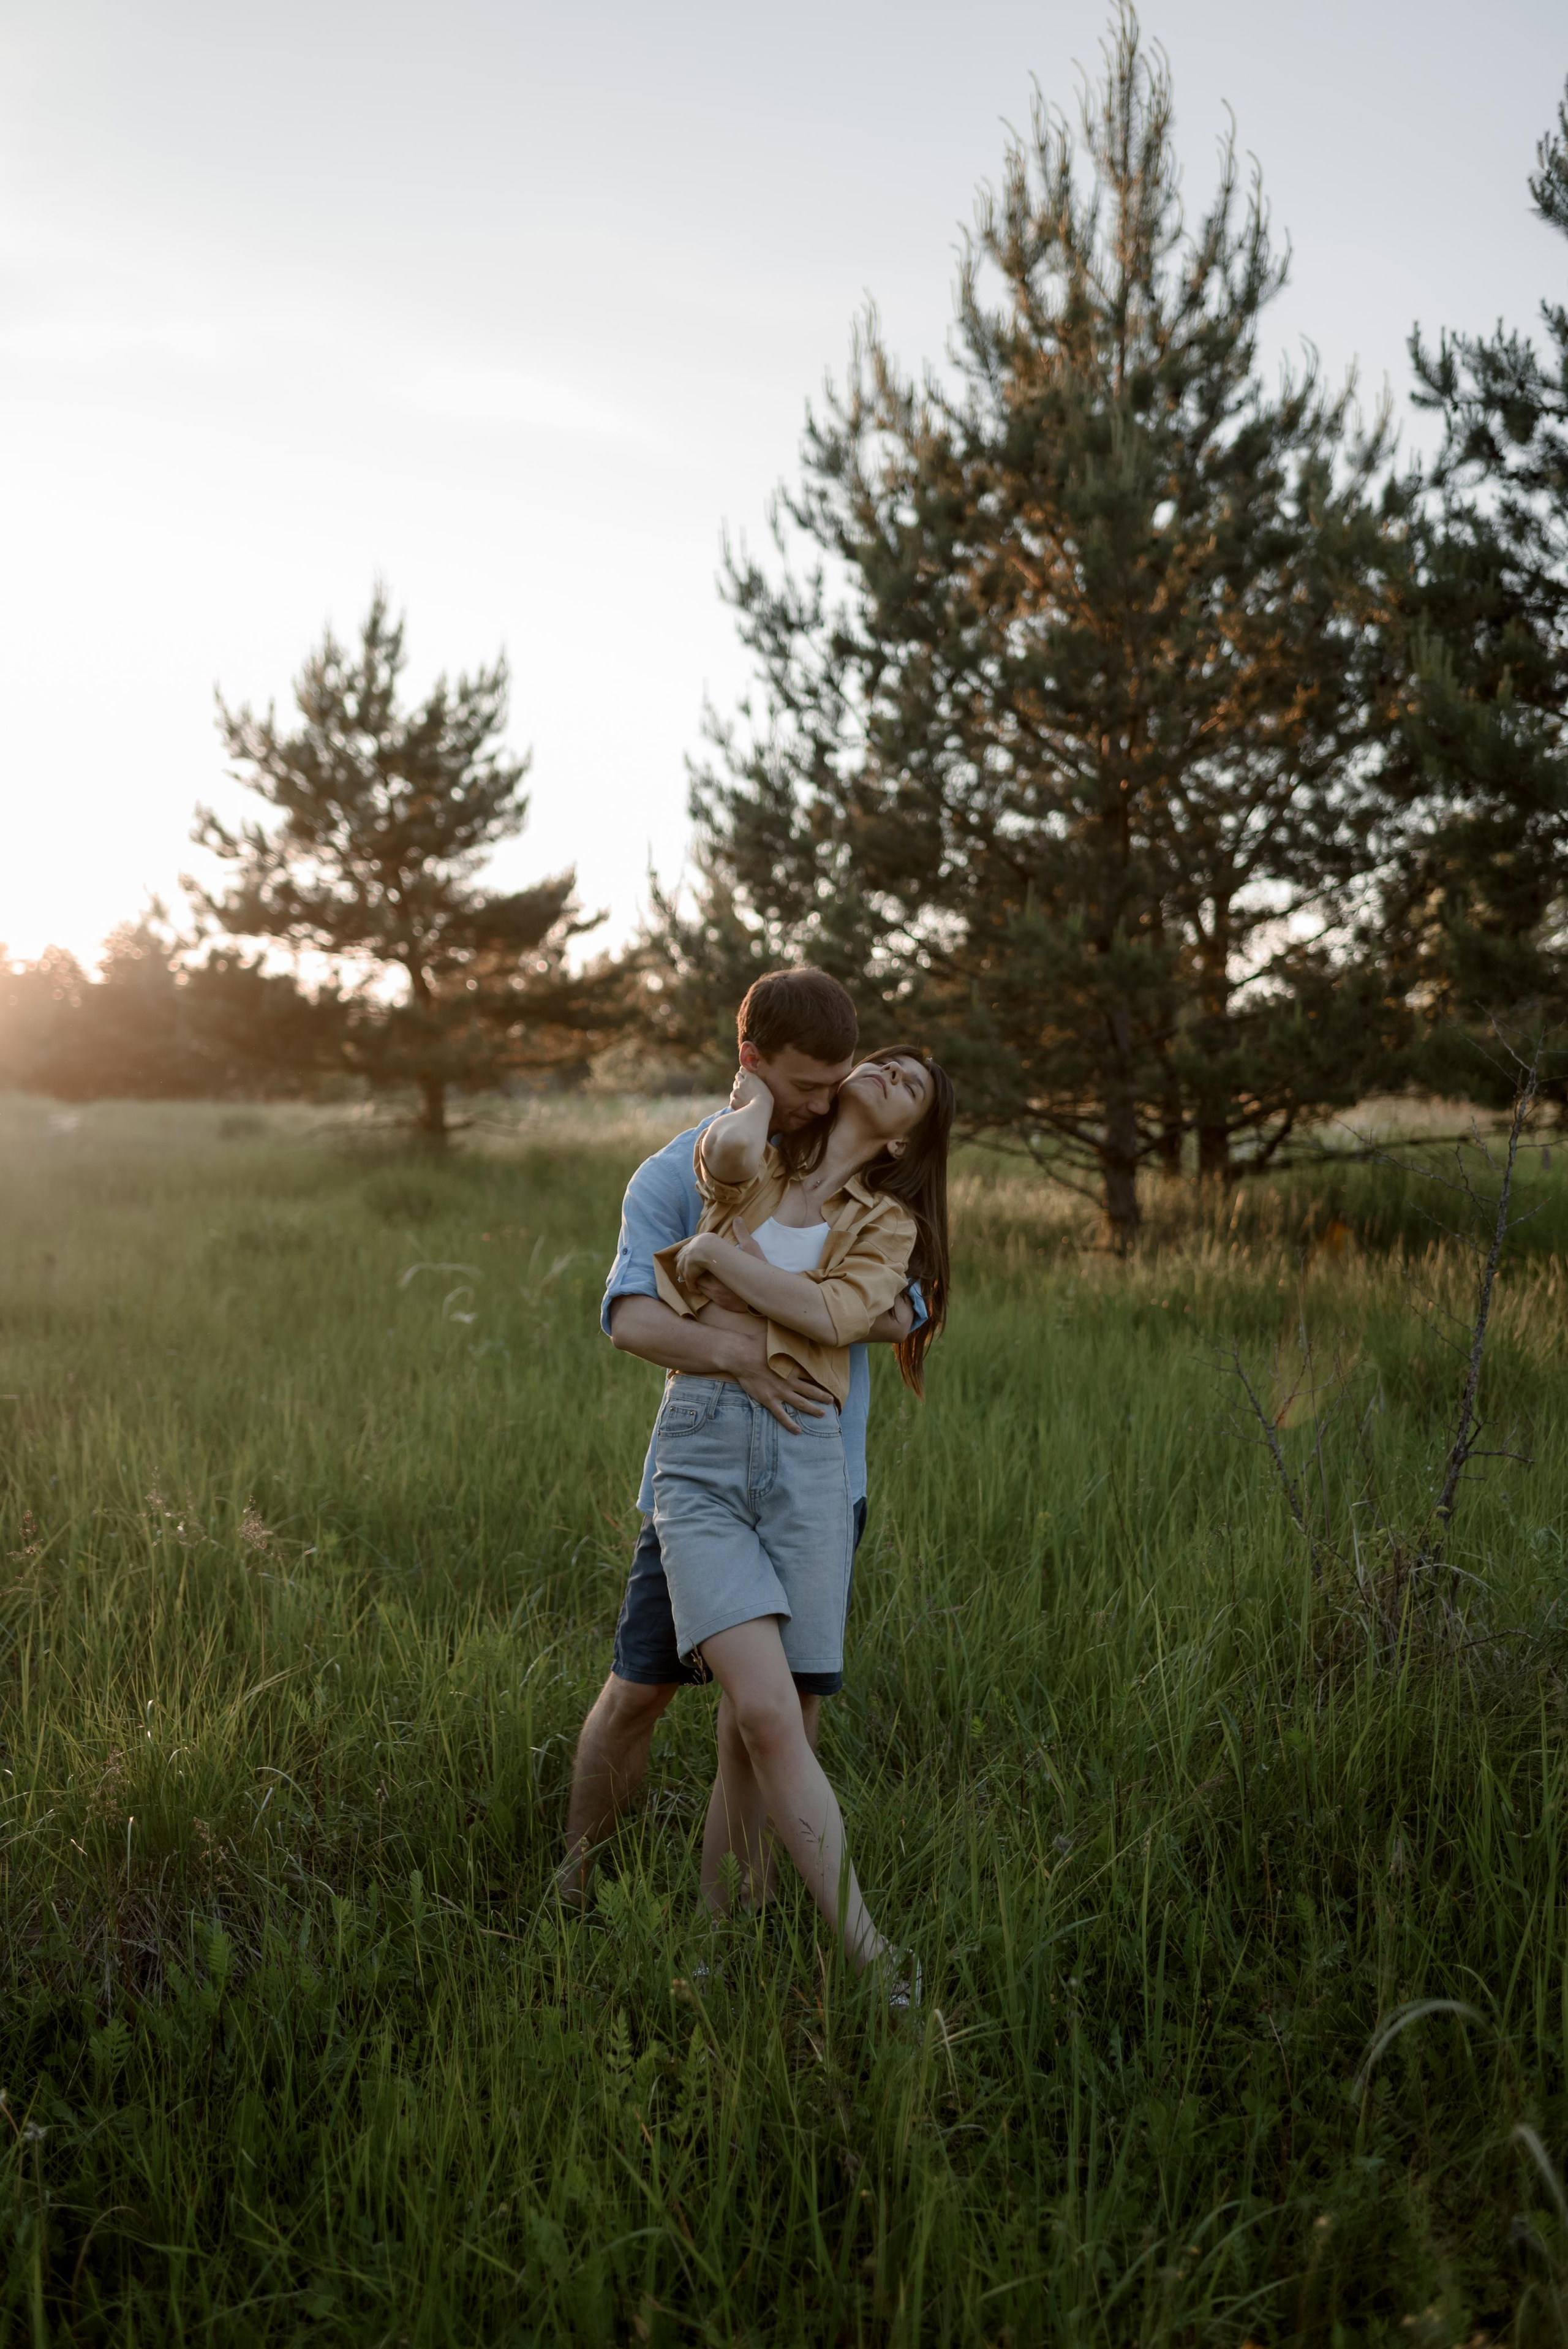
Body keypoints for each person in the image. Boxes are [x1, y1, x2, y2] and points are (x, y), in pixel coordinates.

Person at [558, 969, 921, 1910]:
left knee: (777, 1715)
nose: (823, 1100)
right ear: (750, 1063)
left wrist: (740, 1298)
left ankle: (741, 1913)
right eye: (803, 1083)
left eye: (837, 1080)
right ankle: (580, 1879)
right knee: (638, 1690)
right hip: (704, 1475)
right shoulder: (682, 1169)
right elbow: (634, 1321)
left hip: (820, 1473)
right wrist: (750, 1355)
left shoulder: (869, 1186)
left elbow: (896, 1314)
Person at [647, 1035, 953, 1991]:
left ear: (908, 1140)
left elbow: (835, 1316)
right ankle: (873, 1960)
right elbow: (726, 1164)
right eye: (888, 1058)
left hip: (809, 1463)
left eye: (915, 1084)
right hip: (700, 1455)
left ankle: (720, 1937)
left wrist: (707, 1256)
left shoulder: (888, 1225)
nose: (894, 1070)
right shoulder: (755, 1158)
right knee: (770, 1713)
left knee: (761, 1727)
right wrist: (749, 1096)